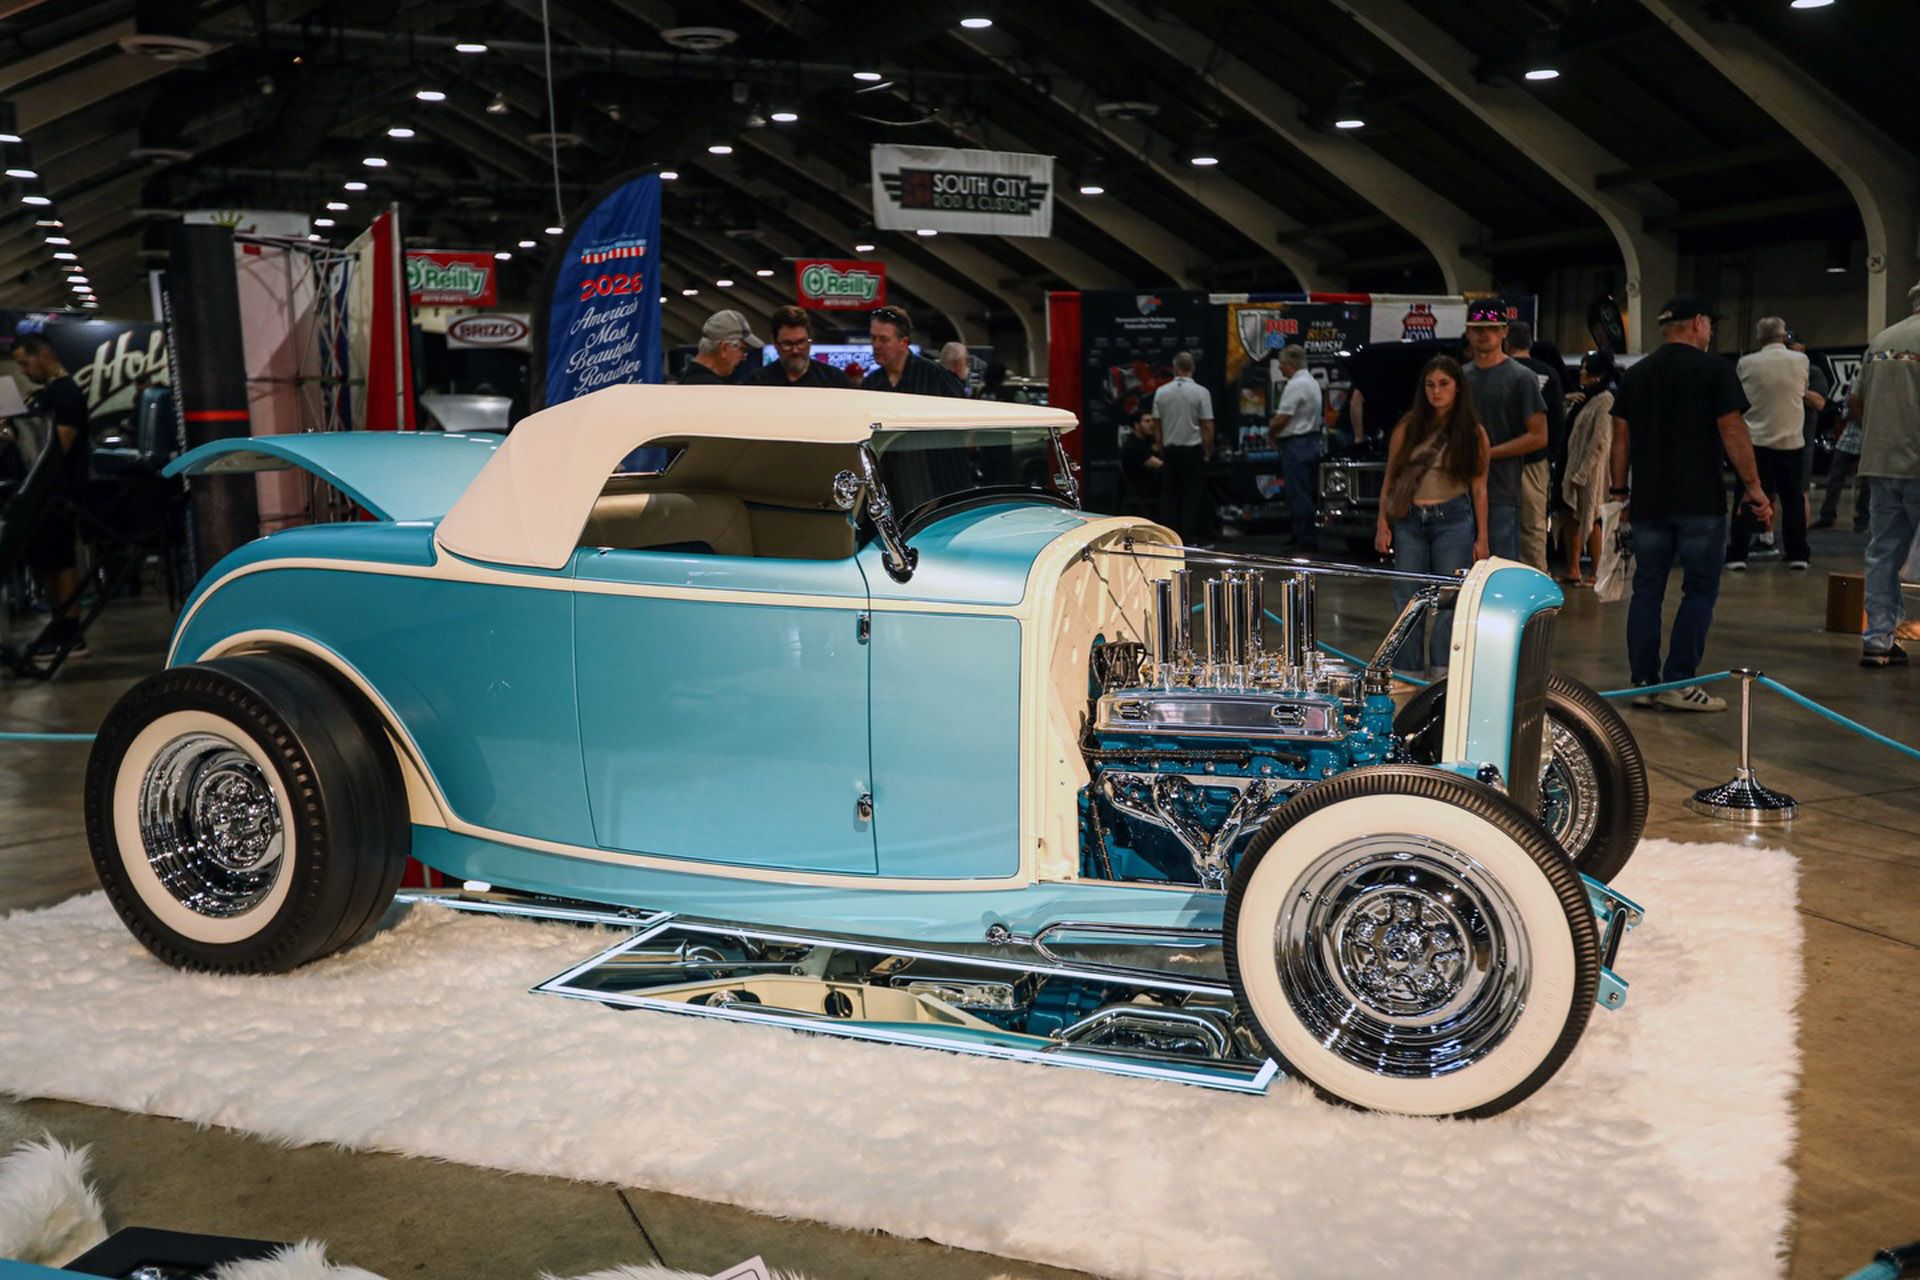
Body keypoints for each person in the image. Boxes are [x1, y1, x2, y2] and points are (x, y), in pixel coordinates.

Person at [1610, 294, 1770, 711]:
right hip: (1699, 501)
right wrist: (1752, 485)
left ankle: (1643, 682)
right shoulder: (1714, 370)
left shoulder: (1637, 375)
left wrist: (1618, 493)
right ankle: (1679, 681)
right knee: (1699, 590)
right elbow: (1732, 430)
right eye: (1710, 324)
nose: (1711, 332)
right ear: (1697, 323)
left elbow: (1620, 439)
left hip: (1649, 501)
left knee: (1647, 589)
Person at [1374, 354, 1491, 676]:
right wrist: (1382, 523)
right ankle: (1407, 671)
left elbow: (1480, 488)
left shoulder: (1473, 433)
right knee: (1407, 599)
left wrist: (1482, 538)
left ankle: (1443, 668)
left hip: (1453, 518)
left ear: (1457, 388)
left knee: (1451, 598)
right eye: (1430, 385)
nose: (1436, 392)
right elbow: (1391, 478)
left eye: (1443, 384)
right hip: (1410, 519)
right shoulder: (1408, 427)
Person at [9, 333, 91, 659]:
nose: (25, 371)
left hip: (60, 493)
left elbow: (57, 448)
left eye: (25, 363)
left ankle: (70, 631)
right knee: (45, 563)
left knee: (60, 561)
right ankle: (61, 624)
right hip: (42, 493)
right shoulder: (47, 395)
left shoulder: (65, 394)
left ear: (43, 355)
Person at [1855, 279, 1920, 668]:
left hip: (1880, 462)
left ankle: (1878, 640)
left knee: (1882, 553)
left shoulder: (1880, 340)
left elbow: (1856, 401)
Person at [1461, 300, 1547, 562]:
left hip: (1501, 489)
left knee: (1498, 569)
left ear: (1504, 331)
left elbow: (1538, 436)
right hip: (1456, 492)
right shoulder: (1458, 378)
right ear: (1467, 332)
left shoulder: (1522, 377)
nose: (1483, 334)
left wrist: (1488, 453)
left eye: (1491, 327)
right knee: (1456, 575)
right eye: (1477, 328)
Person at [1729, 316, 1811, 571]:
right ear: (1784, 335)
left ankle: (1737, 555)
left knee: (1746, 496)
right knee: (1793, 499)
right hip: (1790, 441)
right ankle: (1797, 554)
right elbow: (1803, 389)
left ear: (1759, 338)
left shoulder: (1746, 363)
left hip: (1755, 442)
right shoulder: (1801, 360)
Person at [1504, 320, 1563, 574]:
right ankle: (1536, 577)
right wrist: (1550, 455)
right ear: (1530, 343)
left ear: (1506, 342)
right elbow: (1557, 421)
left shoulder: (1500, 371)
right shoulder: (1548, 373)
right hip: (1534, 460)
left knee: (1500, 523)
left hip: (1499, 460)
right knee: (1534, 525)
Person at [1559, 350, 1618, 583]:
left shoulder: (1605, 399)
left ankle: (1596, 571)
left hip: (1591, 471)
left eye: (1586, 368)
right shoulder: (1585, 398)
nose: (1582, 372)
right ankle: (1573, 569)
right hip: (1572, 466)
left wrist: (1583, 471)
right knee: (1571, 516)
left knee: (1591, 517)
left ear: (1598, 374)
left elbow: (1600, 440)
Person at [1149, 351, 1215, 544]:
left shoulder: (1162, 392)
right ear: (1192, 368)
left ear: (1175, 368)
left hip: (1170, 449)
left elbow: (1156, 424)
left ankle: (1169, 537)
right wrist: (1208, 451)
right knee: (1193, 495)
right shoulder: (1201, 392)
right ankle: (1189, 536)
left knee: (1169, 494)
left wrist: (1161, 446)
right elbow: (1207, 426)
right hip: (1192, 450)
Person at [1268, 346, 1324, 549]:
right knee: (1304, 491)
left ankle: (1305, 539)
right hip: (1310, 442)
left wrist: (1271, 432)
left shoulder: (1296, 384)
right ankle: (1301, 533)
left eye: (1282, 364)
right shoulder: (1312, 382)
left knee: (1297, 493)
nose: (1280, 368)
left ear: (1291, 365)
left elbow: (1283, 417)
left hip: (1296, 444)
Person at [862, 306, 964, 396]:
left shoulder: (935, 376)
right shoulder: (871, 383)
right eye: (873, 338)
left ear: (904, 342)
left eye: (884, 340)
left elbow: (963, 409)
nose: (876, 345)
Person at [1816, 384, 1871, 531]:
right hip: (1849, 437)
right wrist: (1854, 411)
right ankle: (1827, 516)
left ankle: (1862, 519)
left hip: (1869, 438)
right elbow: (1846, 410)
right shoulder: (1856, 382)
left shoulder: (1882, 384)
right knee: (1835, 478)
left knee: (1867, 483)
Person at [755, 306, 843, 387]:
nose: (795, 351)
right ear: (774, 342)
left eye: (801, 342)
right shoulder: (757, 382)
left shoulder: (835, 380)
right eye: (787, 344)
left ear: (810, 339)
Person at [679, 310, 763, 384]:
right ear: (724, 348)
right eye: (743, 350)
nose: (744, 357)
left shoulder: (691, 379)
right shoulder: (710, 388)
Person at [1119, 413, 1163, 514]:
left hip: (1151, 490)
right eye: (1147, 421)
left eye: (1152, 421)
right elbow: (1159, 465)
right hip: (1141, 492)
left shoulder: (1148, 442)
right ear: (1136, 425)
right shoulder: (1132, 446)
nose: (1151, 424)